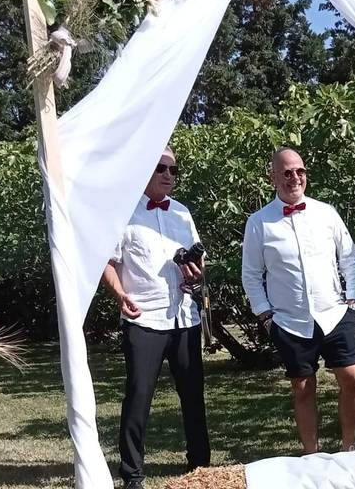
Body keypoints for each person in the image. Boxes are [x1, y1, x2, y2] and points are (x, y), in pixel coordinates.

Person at [242, 147, 355, 453]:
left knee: (352, 377)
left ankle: (348, 449)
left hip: (335, 313)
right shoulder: (259, 222)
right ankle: (312, 455)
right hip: (289, 321)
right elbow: (251, 275)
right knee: (303, 388)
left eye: (300, 171)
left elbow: (350, 259)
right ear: (273, 178)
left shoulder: (327, 213)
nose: (295, 178)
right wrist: (266, 317)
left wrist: (354, 302)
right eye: (286, 172)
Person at [100, 147, 210, 489]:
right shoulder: (122, 214)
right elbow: (108, 262)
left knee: (193, 395)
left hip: (184, 318)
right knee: (138, 395)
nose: (167, 174)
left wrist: (195, 273)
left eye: (173, 170)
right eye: (160, 167)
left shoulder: (182, 214)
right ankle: (132, 474)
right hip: (143, 318)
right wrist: (120, 296)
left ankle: (201, 467)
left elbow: (199, 262)